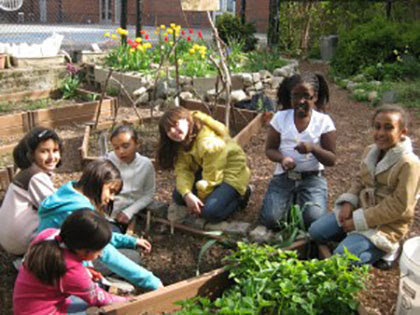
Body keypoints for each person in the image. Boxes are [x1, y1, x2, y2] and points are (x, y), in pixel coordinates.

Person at [309, 105, 420, 266]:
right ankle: (355, 239)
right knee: (316, 232)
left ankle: (389, 249)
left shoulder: (409, 164)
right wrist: (349, 202)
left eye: (389, 128)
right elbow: (360, 179)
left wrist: (358, 221)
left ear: (402, 132)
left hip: (387, 224)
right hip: (362, 208)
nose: (381, 133)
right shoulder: (370, 151)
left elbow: (399, 206)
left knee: (341, 258)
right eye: (377, 127)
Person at [37, 159, 163, 290]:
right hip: (56, 267)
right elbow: (106, 253)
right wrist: (152, 282)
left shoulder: (68, 193)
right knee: (132, 257)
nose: (112, 198)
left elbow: (97, 235)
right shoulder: (78, 211)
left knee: (126, 247)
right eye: (111, 191)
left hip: (50, 256)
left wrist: (129, 241)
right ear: (99, 183)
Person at [13, 210, 128, 315]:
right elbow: (99, 298)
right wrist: (128, 301)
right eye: (99, 250)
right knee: (93, 308)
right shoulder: (72, 271)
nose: (100, 254)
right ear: (85, 250)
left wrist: (85, 271)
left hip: (24, 308)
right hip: (46, 312)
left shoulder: (49, 236)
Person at [260, 72, 336, 229]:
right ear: (290, 97)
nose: (300, 101)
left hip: (312, 178)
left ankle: (298, 200)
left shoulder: (323, 122)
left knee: (313, 220)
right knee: (271, 220)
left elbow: (331, 159)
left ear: (314, 97)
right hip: (284, 176)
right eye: (295, 96)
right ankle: (291, 198)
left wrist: (313, 148)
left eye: (306, 96)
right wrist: (282, 159)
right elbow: (270, 149)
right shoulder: (281, 118)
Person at [157, 107, 251, 223]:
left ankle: (241, 196)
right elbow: (183, 170)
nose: (172, 131)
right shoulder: (183, 141)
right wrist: (187, 195)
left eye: (175, 125)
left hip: (231, 173)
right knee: (179, 196)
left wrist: (199, 201)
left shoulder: (208, 143)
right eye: (168, 130)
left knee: (210, 212)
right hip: (208, 170)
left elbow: (212, 176)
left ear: (187, 120)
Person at [0, 127, 62, 255]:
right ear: (31, 154)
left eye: (55, 150)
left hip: (8, 238)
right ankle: (32, 261)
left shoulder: (27, 171)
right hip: (22, 241)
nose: (52, 157)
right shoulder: (36, 177)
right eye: (44, 151)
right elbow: (55, 206)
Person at [107, 125, 155, 230]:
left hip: (127, 214)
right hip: (105, 213)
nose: (121, 151)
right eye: (116, 148)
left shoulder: (146, 165)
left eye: (125, 146)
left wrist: (130, 211)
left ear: (137, 144)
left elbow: (149, 194)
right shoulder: (107, 161)